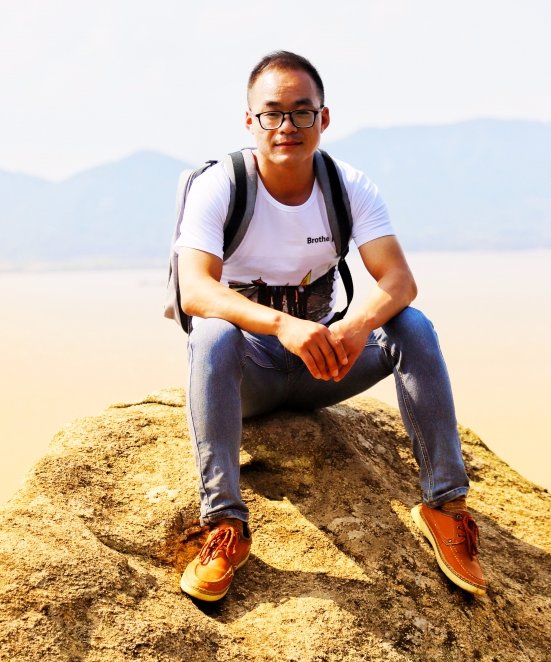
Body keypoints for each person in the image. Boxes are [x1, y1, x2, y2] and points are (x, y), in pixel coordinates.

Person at [174, 51, 486, 602]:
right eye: (272, 113)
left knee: (411, 326)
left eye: (302, 111)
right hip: (249, 375)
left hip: (324, 367)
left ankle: (444, 505)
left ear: (324, 117)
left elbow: (399, 281)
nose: (287, 126)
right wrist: (282, 325)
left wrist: (356, 326)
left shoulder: (347, 186)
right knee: (213, 332)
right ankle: (224, 525)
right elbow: (195, 290)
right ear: (249, 121)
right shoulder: (221, 185)